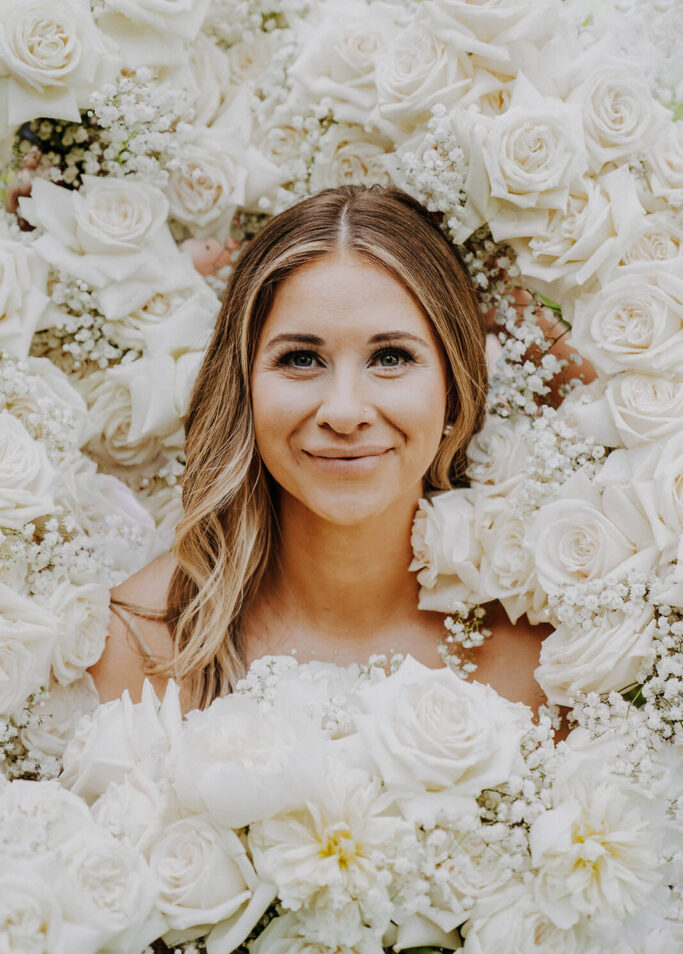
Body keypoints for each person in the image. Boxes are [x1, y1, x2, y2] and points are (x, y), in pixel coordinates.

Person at [90, 185, 553, 718]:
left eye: (392, 356)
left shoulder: (548, 653)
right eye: (302, 359)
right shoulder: (136, 646)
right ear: (244, 384)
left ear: (453, 387)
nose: (344, 410)